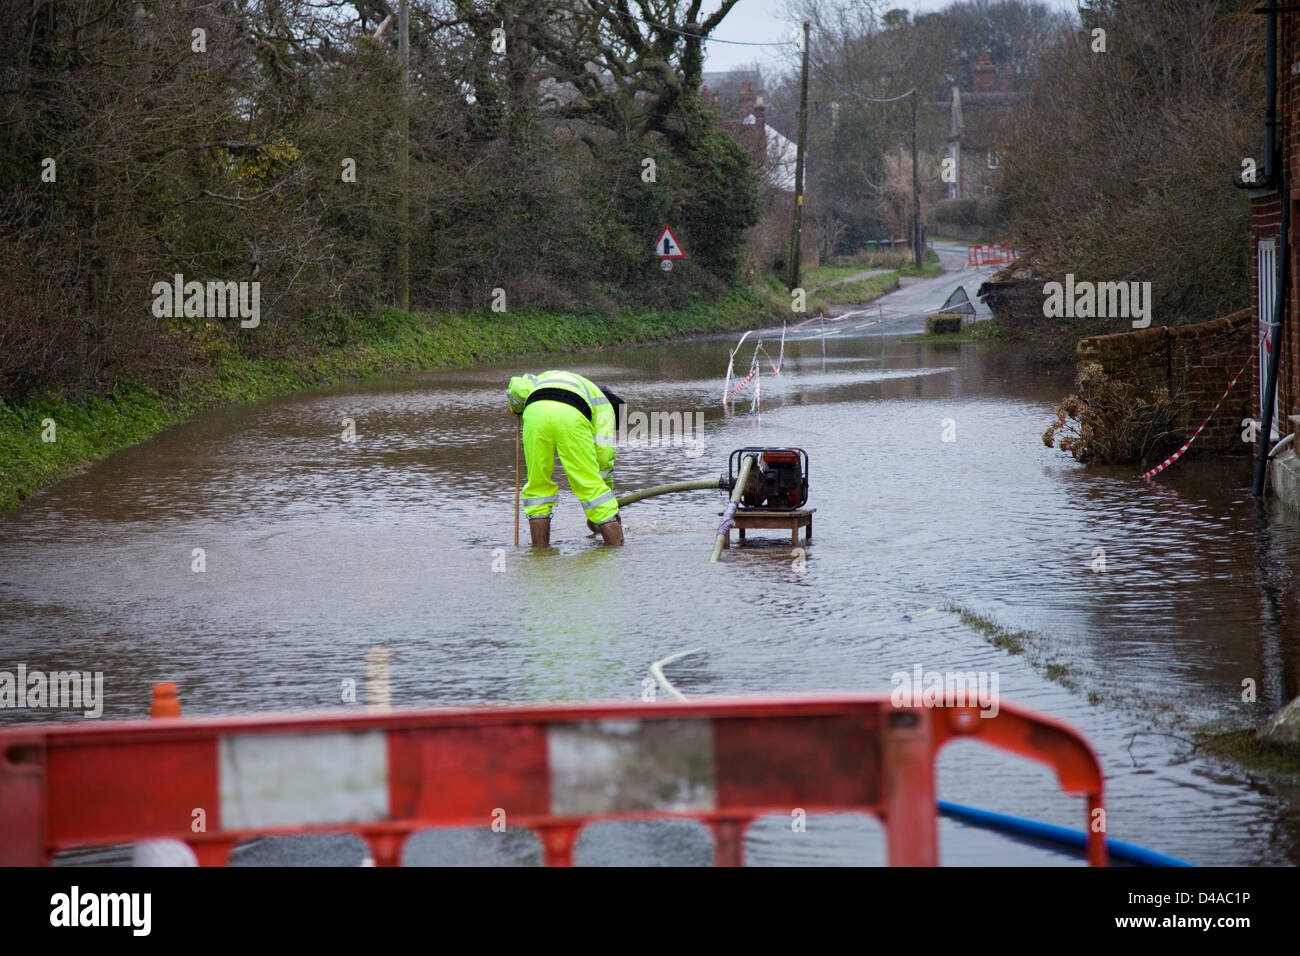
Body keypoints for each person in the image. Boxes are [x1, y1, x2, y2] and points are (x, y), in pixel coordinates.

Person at [507, 370, 625, 547]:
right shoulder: (605, 408)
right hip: (572, 414)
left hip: (535, 411)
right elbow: (604, 460)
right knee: (591, 486)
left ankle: (540, 553)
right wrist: (608, 499)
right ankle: (617, 551)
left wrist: (516, 407)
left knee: (538, 487)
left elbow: (516, 388)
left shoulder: (557, 378)